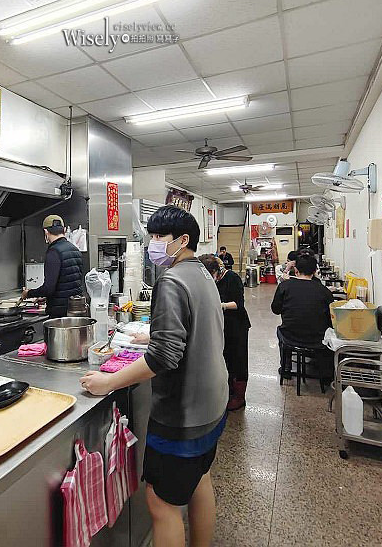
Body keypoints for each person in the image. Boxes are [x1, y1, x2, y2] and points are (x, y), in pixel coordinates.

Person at [80, 205, 228, 547]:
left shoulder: (172, 279)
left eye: (160, 237)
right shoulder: (202, 273)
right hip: (213, 402)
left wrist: (108, 381)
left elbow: (163, 357)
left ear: (183, 240)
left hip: (184, 413)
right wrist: (157, 332)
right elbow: (200, 325)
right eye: (152, 236)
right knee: (199, 479)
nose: (153, 244)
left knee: (161, 504)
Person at [199, 254, 251, 411]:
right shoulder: (209, 281)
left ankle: (239, 397)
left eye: (211, 275)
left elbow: (238, 304)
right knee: (225, 358)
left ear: (216, 271)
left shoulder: (232, 278)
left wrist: (221, 305)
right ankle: (227, 392)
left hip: (236, 325)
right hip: (220, 324)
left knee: (238, 360)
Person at [271, 253, 335, 379]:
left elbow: (275, 310)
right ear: (315, 271)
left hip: (290, 335)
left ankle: (286, 368)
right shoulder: (324, 291)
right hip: (317, 338)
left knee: (281, 331)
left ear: (296, 270)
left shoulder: (284, 286)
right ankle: (325, 373)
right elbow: (331, 318)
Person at [22, 215, 83, 318]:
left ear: (46, 232)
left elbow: (48, 288)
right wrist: (47, 297)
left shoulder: (54, 252)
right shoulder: (75, 249)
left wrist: (28, 293)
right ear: (63, 230)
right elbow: (69, 284)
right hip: (75, 310)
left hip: (60, 315)